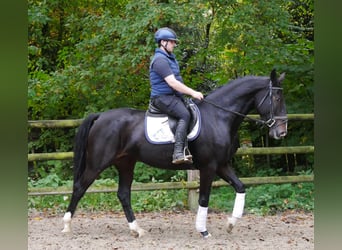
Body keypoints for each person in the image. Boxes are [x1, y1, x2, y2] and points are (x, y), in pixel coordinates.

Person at [149, 27, 204, 164]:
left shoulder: (170, 58)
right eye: (172, 42)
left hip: (172, 97)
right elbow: (172, 83)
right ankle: (178, 153)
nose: (174, 44)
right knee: (184, 115)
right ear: (163, 42)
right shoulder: (159, 60)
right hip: (161, 98)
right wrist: (193, 92)